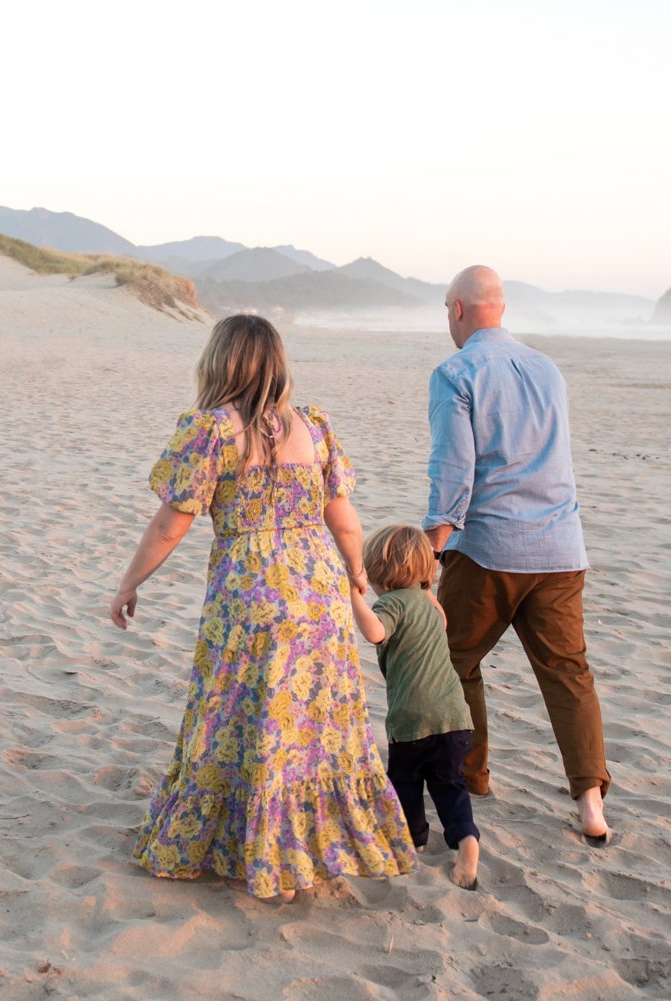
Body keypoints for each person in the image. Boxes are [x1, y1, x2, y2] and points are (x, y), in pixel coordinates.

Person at [109, 314, 416, 902]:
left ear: (220, 361)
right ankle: (309, 845)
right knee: (313, 723)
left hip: (249, 593)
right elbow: (344, 519)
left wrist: (129, 583)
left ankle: (240, 844)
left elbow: (172, 525)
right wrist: (355, 575)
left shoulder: (212, 432)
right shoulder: (315, 427)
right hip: (318, 590)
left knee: (234, 716)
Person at [424, 265, 612, 844]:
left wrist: (433, 544)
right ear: (499, 309)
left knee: (453, 660)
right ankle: (591, 805)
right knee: (568, 672)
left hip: (489, 548)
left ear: (457, 310)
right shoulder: (546, 368)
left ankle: (470, 776)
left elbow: (454, 468)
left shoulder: (455, 371)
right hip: (561, 545)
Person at [348, 524, 480, 889]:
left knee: (406, 782)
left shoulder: (390, 603)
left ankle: (413, 841)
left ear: (381, 576)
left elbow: (376, 632)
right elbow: (440, 619)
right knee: (450, 783)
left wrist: (354, 597)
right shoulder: (430, 603)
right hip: (455, 717)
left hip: (412, 720)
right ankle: (466, 838)